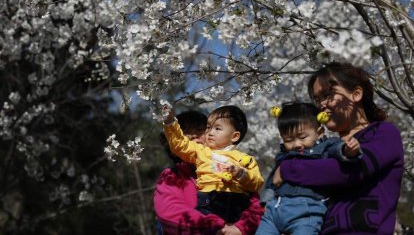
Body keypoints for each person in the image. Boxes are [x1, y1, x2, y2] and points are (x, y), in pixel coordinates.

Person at [273, 62, 404, 234]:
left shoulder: (383, 133)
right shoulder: (326, 149)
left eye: (328, 95)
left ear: (356, 94)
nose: (321, 105)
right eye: (317, 99)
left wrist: (288, 168)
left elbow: (347, 171)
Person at [256, 102, 362, 234]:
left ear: (319, 132)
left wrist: (348, 150)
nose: (297, 144)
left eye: (302, 137)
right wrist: (265, 202)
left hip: (306, 213)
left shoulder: (325, 146)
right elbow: (273, 180)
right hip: (275, 210)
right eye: (289, 140)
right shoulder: (283, 156)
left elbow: (337, 149)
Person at [154, 110, 263, 234]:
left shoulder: (236, 164)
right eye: (186, 132)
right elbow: (170, 210)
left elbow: (255, 206)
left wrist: (240, 228)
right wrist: (212, 226)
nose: (194, 136)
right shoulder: (172, 176)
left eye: (201, 130)